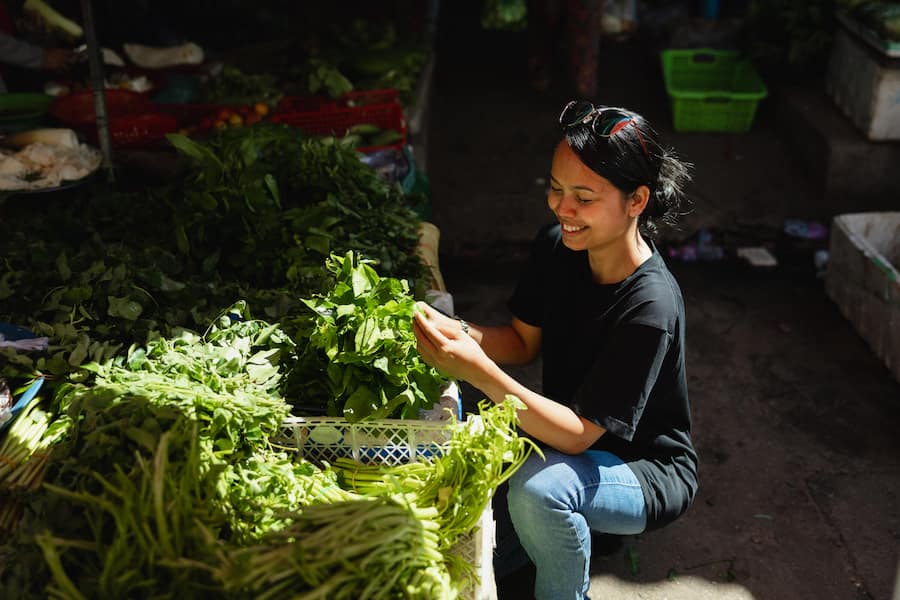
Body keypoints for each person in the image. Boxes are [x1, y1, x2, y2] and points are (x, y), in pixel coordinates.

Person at [413, 100, 698, 600]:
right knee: (466, 560)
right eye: (556, 188)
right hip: (560, 440)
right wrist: (453, 331)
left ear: (636, 201)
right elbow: (521, 344)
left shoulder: (651, 307)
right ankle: (563, 532)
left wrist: (477, 367)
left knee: (540, 492)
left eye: (583, 198)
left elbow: (579, 438)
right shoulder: (557, 246)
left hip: (640, 469)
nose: (562, 209)